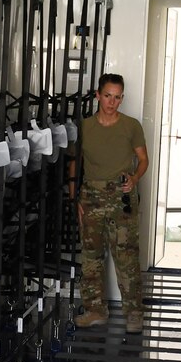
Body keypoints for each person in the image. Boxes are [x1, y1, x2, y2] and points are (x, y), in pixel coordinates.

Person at [68, 73, 149, 333]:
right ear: (97, 96)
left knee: (126, 257)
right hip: (91, 196)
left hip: (121, 196)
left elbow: (143, 159)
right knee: (91, 256)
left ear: (122, 98)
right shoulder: (84, 127)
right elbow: (74, 163)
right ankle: (95, 310)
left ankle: (134, 313)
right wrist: (75, 198)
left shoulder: (131, 126)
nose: (112, 102)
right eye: (107, 96)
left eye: (117, 97)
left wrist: (135, 178)